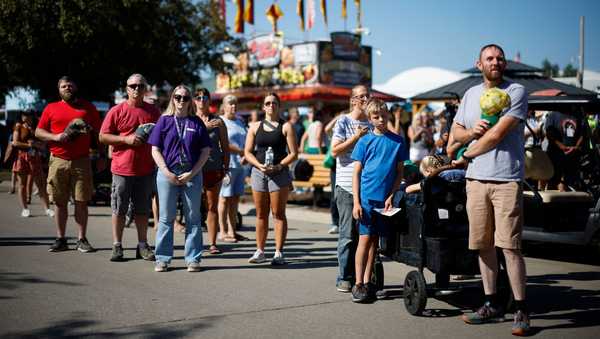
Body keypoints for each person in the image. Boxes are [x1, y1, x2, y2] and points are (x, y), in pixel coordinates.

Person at [450, 44, 530, 336]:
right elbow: (455, 132)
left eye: (499, 58)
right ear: (479, 64)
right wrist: (471, 133)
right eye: (489, 58)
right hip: (476, 181)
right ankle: (490, 303)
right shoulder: (470, 95)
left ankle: (521, 308)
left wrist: (466, 155)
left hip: (506, 178)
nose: (495, 62)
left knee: (509, 245)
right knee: (483, 245)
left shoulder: (516, 92)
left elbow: (497, 135)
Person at [35, 76, 105, 253]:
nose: (67, 88)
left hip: (82, 160)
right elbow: (38, 131)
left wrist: (102, 155)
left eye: (70, 85)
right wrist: (55, 137)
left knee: (81, 201)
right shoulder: (51, 108)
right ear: (59, 90)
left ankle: (82, 239)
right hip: (58, 160)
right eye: (63, 86)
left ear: (76, 87)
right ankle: (61, 238)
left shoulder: (88, 108)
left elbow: (99, 134)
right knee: (60, 202)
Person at [148, 85, 211, 272]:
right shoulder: (164, 121)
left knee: (193, 217)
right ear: (172, 99)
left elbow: (206, 151)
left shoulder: (196, 122)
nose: (181, 101)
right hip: (167, 172)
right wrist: (166, 172)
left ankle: (193, 259)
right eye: (178, 97)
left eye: (185, 98)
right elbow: (155, 150)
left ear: (190, 100)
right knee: (166, 218)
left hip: (191, 174)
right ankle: (162, 259)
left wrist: (192, 173)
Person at [350, 99, 407, 303]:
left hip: (385, 201)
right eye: (376, 117)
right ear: (370, 118)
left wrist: (392, 194)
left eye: (384, 115)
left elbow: (400, 172)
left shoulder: (398, 141)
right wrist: (356, 202)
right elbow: (356, 173)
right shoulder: (364, 141)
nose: (381, 120)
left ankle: (368, 281)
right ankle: (358, 283)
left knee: (375, 241)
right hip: (366, 198)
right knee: (364, 240)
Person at [99, 74, 159, 262]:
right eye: (132, 86)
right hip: (122, 169)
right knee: (119, 209)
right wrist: (126, 139)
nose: (136, 89)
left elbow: (162, 136)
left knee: (142, 210)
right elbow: (102, 136)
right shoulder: (117, 111)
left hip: (145, 169)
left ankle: (142, 245)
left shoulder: (153, 111)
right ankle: (117, 245)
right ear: (126, 89)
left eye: (140, 85)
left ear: (145, 88)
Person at [244, 92, 298, 265]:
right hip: (259, 172)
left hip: (279, 173)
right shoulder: (254, 126)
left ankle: (278, 253)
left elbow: (294, 153)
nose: (271, 106)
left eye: (274, 103)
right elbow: (247, 152)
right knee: (261, 214)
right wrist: (258, 166)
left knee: (278, 213)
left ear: (279, 106)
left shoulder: (286, 126)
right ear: (263, 107)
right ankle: (260, 251)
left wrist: (280, 166)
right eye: (267, 103)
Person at [330, 85, 372, 292]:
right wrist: (356, 137)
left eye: (368, 95)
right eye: (361, 96)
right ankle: (344, 277)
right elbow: (335, 151)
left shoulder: (373, 122)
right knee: (347, 235)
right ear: (353, 100)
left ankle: (363, 277)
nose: (366, 98)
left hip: (368, 187)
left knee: (366, 235)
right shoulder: (344, 121)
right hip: (346, 185)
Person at [194, 88, 229, 254]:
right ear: (194, 101)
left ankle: (213, 243)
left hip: (213, 168)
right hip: (192, 169)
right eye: (198, 97)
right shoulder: (189, 120)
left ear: (209, 101)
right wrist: (204, 127)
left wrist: (226, 167)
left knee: (211, 206)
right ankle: (194, 242)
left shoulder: (219, 121)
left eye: (204, 97)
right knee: (192, 207)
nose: (201, 100)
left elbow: (225, 147)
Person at [11, 111, 54, 218]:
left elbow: (44, 145)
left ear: (32, 117)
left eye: (28, 115)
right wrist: (28, 145)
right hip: (22, 157)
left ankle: (47, 209)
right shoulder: (18, 127)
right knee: (22, 184)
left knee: (41, 184)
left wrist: (36, 144)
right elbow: (15, 142)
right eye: (24, 115)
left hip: (35, 157)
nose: (25, 117)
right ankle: (25, 209)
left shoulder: (37, 128)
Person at [218, 95, 248, 242]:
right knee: (224, 198)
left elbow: (247, 141)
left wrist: (246, 154)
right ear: (224, 106)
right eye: (230, 104)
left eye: (235, 104)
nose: (233, 107)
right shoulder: (220, 121)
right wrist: (241, 152)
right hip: (226, 165)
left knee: (235, 199)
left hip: (240, 165)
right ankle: (222, 231)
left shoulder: (240, 122)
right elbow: (223, 143)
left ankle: (232, 231)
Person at [544, 108, 585, 191]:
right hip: (555, 155)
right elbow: (549, 133)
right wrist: (561, 146)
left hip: (572, 156)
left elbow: (582, 133)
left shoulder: (577, 115)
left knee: (570, 183)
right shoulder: (552, 115)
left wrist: (576, 147)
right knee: (554, 182)